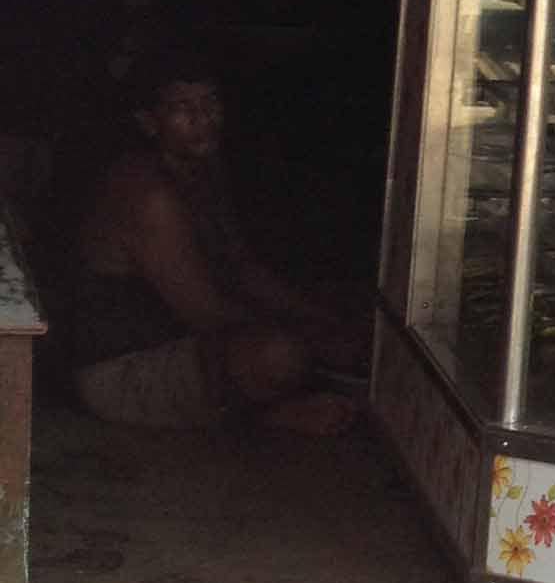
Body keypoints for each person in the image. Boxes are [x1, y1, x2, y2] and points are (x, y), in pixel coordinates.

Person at [69, 61, 362, 431]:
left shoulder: (201, 167)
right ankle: (266, 419)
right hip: (121, 372)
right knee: (279, 355)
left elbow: (241, 267)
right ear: (149, 122)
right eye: (182, 108)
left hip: (183, 344)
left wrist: (320, 317)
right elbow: (205, 312)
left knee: (331, 312)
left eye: (209, 103)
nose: (202, 118)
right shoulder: (146, 193)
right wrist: (313, 337)